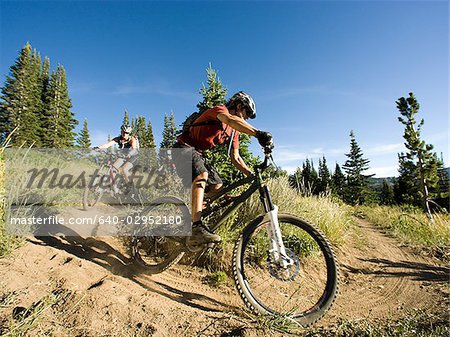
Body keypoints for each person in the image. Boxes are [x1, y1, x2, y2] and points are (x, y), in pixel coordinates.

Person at [174, 91, 273, 244]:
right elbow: (230, 119)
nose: (246, 119)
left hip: (198, 154)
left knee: (217, 185)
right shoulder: (220, 111)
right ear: (239, 106)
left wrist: (250, 175)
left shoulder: (233, 132)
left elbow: (236, 157)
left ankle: (197, 208)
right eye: (246, 114)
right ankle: (196, 227)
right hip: (182, 148)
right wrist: (258, 133)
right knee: (202, 175)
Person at [97, 124, 139, 193]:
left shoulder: (132, 139)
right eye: (123, 132)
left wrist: (129, 154)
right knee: (113, 168)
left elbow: (134, 149)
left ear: (129, 133)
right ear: (121, 131)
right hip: (124, 156)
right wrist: (99, 148)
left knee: (124, 169)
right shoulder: (118, 139)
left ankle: (130, 187)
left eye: (126, 133)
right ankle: (115, 187)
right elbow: (107, 145)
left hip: (133, 156)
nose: (124, 134)